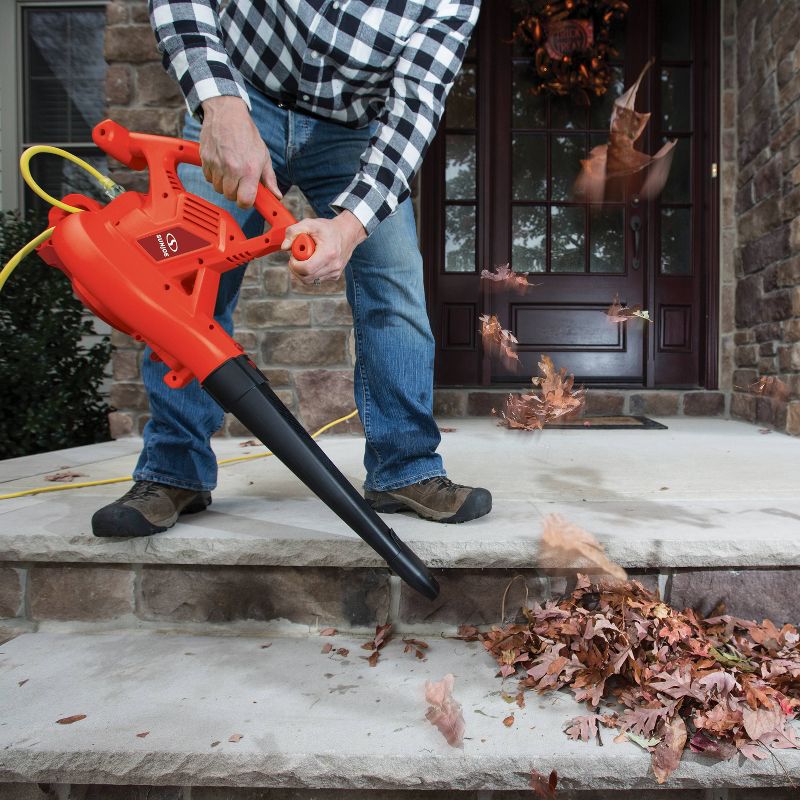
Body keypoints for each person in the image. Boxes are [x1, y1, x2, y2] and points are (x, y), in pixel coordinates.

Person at [92, 0, 491, 538]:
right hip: (241, 97)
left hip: (358, 131)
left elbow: (415, 109)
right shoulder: (228, 103)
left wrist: (347, 230)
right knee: (181, 286)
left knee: (395, 290)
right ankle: (173, 471)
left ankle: (406, 470)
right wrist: (220, 102)